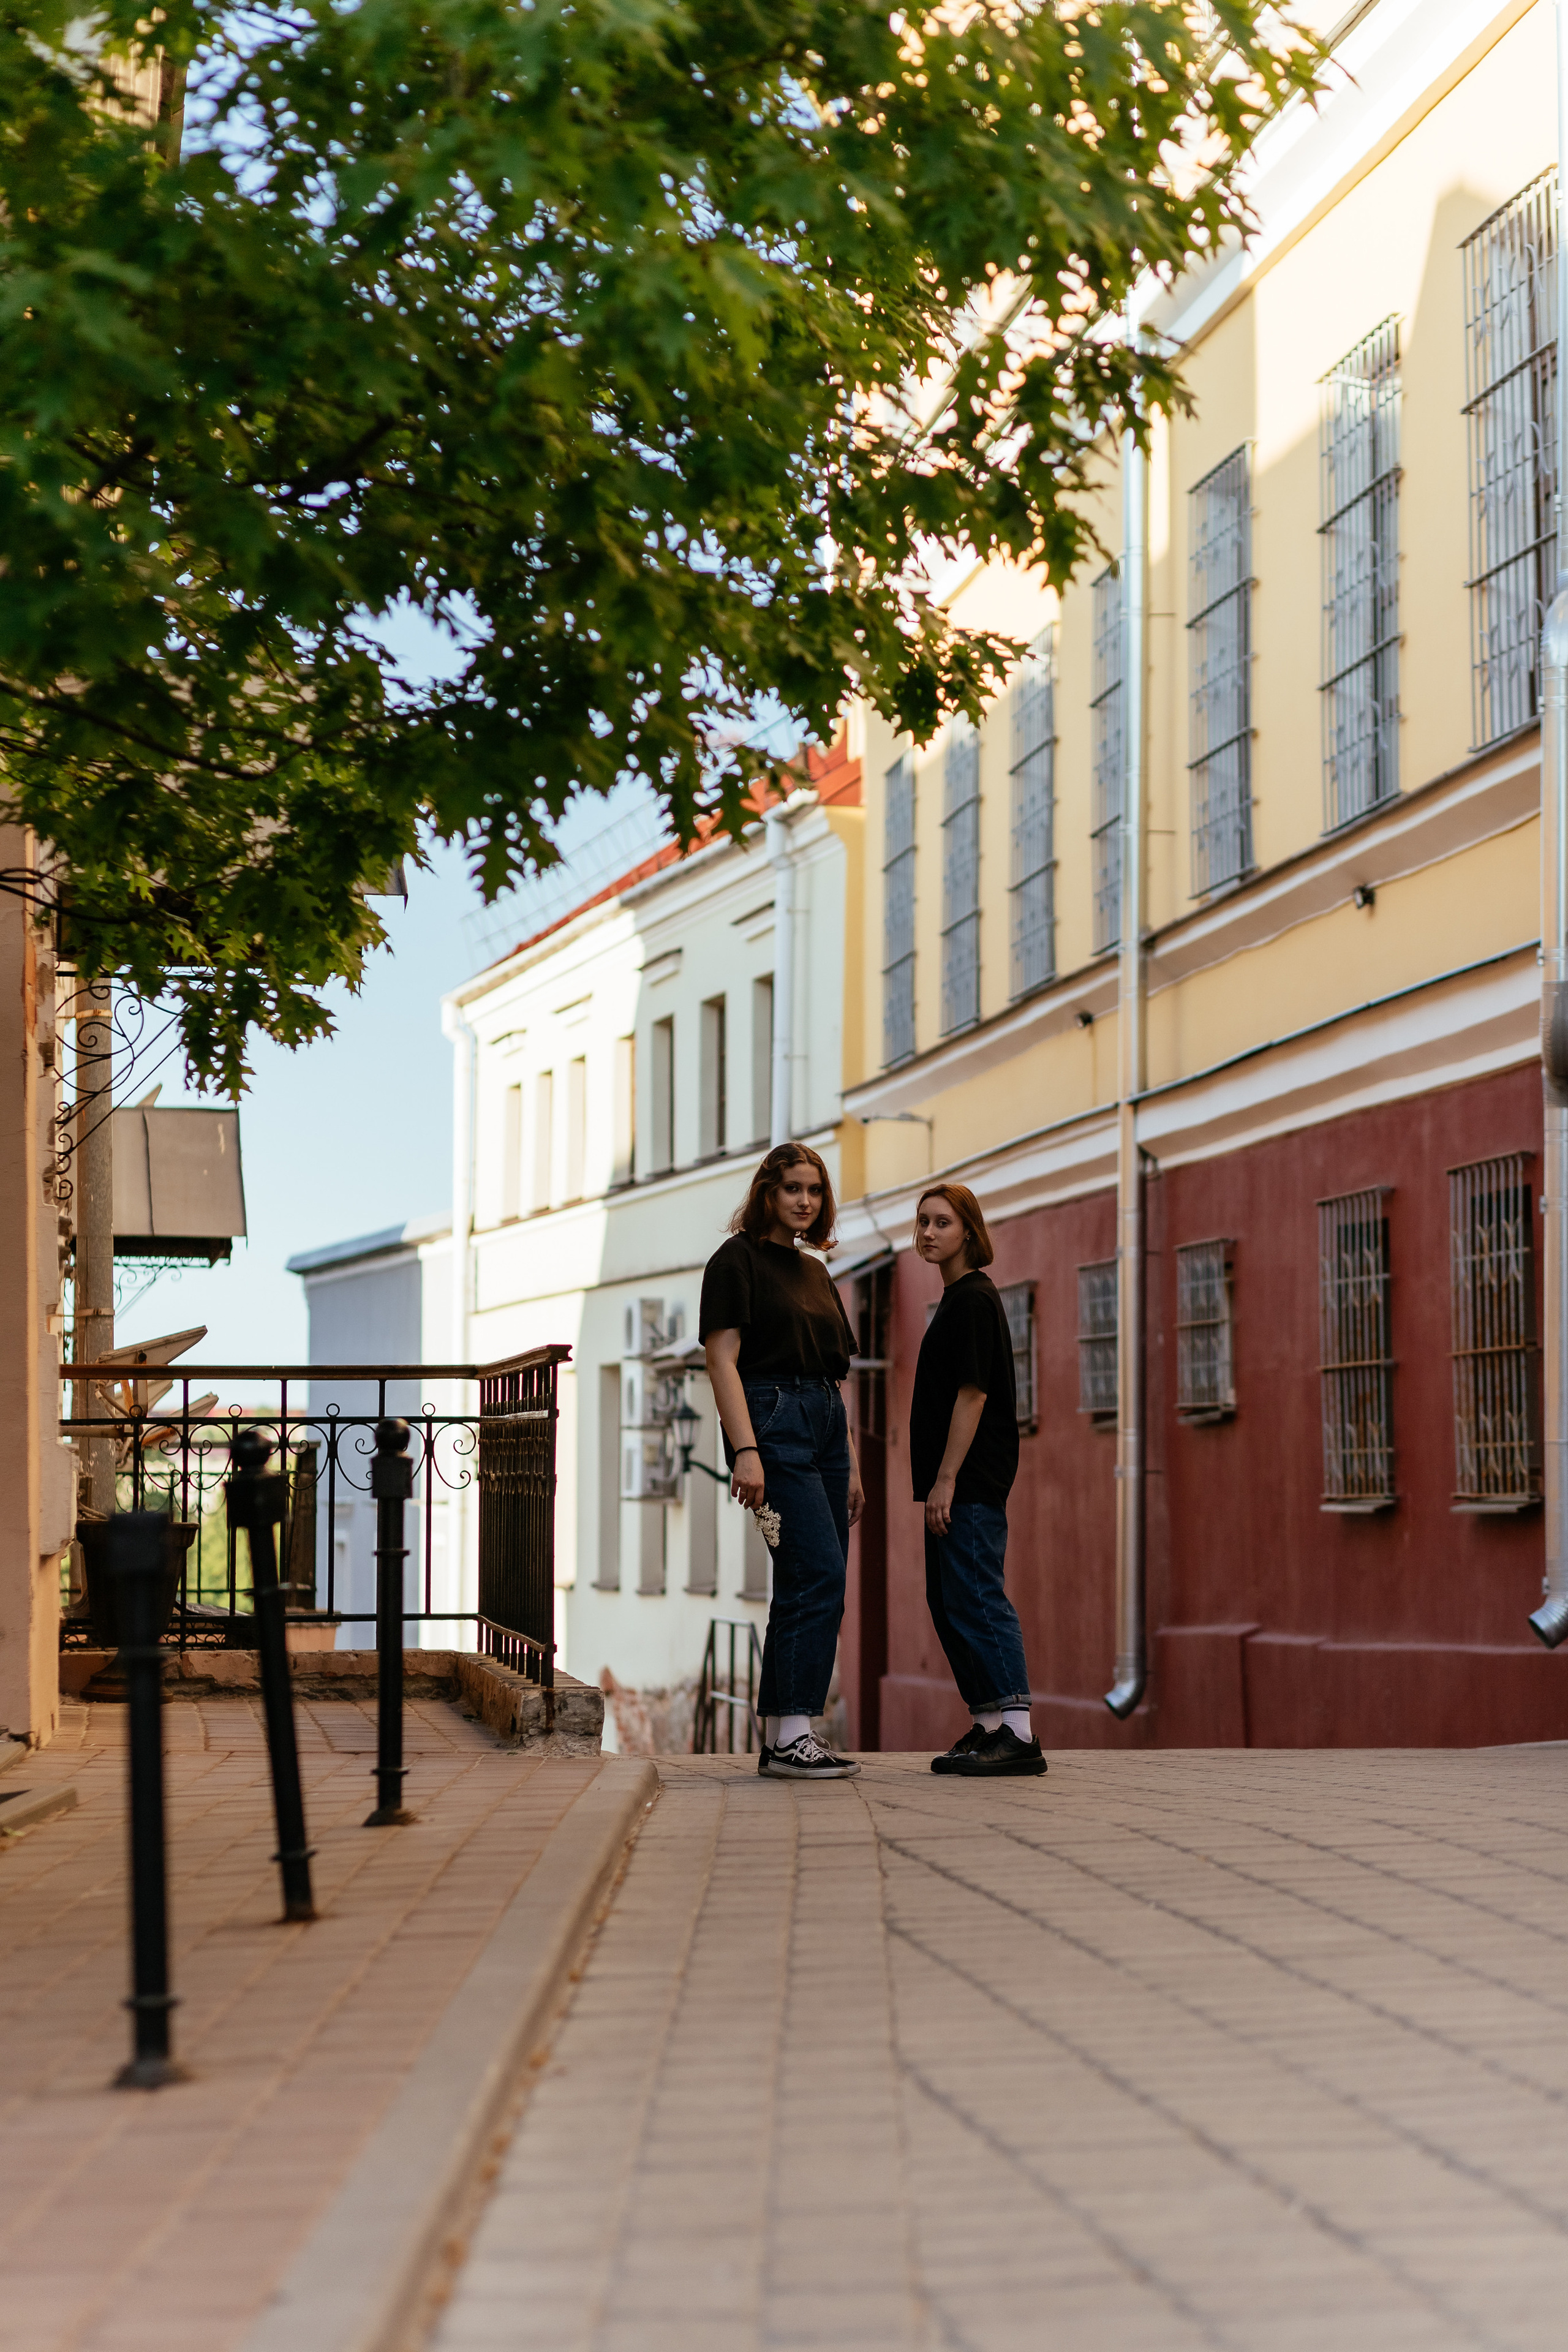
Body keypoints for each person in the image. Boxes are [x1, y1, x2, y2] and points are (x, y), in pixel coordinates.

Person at [700, 1142, 865, 1780]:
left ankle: (784, 1733)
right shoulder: (735, 1261)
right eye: (793, 1188)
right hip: (771, 1425)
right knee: (814, 1573)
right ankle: (791, 1735)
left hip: (824, 1428)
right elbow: (721, 1360)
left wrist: (847, 1461)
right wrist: (745, 1450)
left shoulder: (815, 1273)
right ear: (767, 1192)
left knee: (819, 1579)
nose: (804, 1201)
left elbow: (833, 1373)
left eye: (815, 1191)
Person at [910, 1182, 1046, 1778]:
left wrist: (946, 1479)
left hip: (968, 1480)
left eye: (941, 1222)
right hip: (953, 1483)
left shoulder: (971, 1300)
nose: (928, 1232)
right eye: (922, 1223)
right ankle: (989, 1724)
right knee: (949, 1602)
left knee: (978, 1596)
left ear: (969, 1230)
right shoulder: (956, 1300)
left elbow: (973, 1394)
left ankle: (1018, 1732)